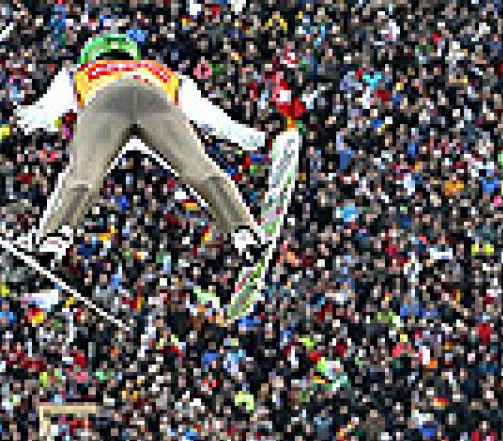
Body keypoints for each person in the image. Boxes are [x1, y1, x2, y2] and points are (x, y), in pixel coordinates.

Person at [16, 33, 298, 272]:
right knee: (199, 169)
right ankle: (243, 230)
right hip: (157, 102)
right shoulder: (164, 73)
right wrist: (253, 139)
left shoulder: (78, 74)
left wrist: (27, 117)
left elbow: (44, 111)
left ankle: (54, 236)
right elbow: (213, 119)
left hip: (104, 104)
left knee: (82, 175)